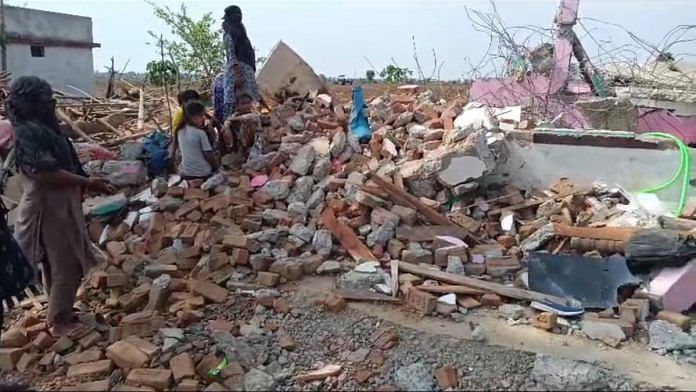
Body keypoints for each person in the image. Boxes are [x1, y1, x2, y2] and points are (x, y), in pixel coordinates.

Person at [7, 76, 112, 336]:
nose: (52, 102)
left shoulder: (42, 127)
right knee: (66, 261)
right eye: (45, 99)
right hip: (48, 204)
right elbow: (45, 173)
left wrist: (82, 184)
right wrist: (86, 182)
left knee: (59, 262)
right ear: (31, 104)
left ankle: (60, 311)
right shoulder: (29, 132)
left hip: (58, 201)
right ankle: (59, 320)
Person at [221, 5, 260, 119]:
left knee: (248, 102)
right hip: (237, 72)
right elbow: (231, 55)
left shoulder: (241, 32)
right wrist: (236, 74)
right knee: (234, 103)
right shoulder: (229, 34)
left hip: (246, 71)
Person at [176, 100, 219, 180]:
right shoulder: (200, 133)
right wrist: (216, 169)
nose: (203, 118)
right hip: (203, 173)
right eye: (200, 116)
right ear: (192, 117)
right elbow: (208, 155)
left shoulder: (180, 131)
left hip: (185, 173)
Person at [223, 92, 263, 160]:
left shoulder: (254, 115)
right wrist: (227, 128)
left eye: (248, 103)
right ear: (237, 106)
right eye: (244, 103)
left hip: (255, 143)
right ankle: (231, 148)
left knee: (247, 123)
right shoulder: (235, 115)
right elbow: (227, 123)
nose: (247, 106)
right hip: (240, 143)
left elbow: (246, 118)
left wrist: (232, 120)